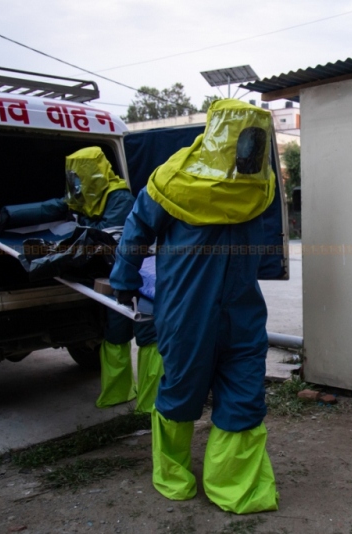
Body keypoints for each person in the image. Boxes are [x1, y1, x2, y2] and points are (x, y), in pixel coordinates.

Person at [109, 99, 279, 513]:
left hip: (242, 313)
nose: (251, 149)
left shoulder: (259, 185)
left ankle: (235, 487)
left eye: (257, 139)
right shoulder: (172, 181)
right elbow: (137, 229)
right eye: (245, 139)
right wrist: (124, 278)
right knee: (181, 393)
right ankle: (172, 473)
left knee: (244, 396)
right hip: (187, 313)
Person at [0, 147, 163, 413]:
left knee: (146, 333)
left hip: (136, 274)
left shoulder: (120, 199)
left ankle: (150, 404)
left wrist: (60, 244)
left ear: (94, 174)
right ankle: (118, 392)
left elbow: (104, 238)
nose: (75, 183)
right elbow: (51, 207)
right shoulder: (84, 196)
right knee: (115, 332)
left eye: (79, 176)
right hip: (108, 275)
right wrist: (5, 217)